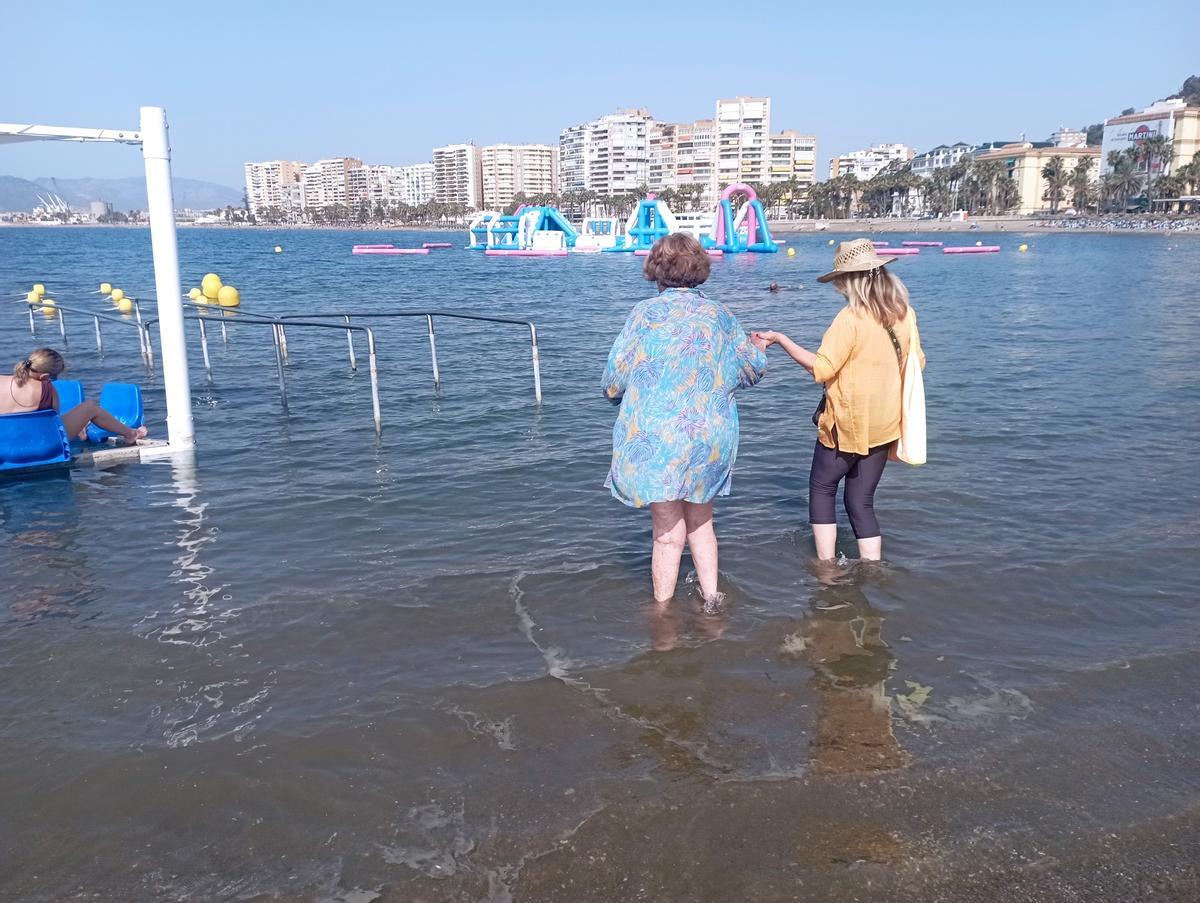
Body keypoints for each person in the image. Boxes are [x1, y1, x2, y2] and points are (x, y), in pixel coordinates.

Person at [602, 233, 768, 605]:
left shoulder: (644, 314)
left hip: (658, 438)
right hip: (709, 437)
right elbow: (752, 370)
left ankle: (663, 615)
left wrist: (620, 399)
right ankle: (712, 601)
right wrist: (757, 347)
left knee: (666, 532)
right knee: (702, 524)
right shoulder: (720, 315)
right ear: (699, 268)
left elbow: (614, 380)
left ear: (656, 270)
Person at [753, 239, 924, 562]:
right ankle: (872, 568)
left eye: (841, 281)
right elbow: (917, 362)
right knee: (861, 501)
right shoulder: (904, 314)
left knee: (822, 488)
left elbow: (822, 368)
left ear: (851, 280)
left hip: (846, 424)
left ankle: (827, 568)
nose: (839, 288)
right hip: (886, 424)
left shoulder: (850, 318)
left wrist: (780, 339)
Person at [0, 348, 148, 445]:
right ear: (45, 376)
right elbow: (56, 423)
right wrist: (79, 426)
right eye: (54, 377)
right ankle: (131, 434)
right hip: (40, 443)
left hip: (6, 445)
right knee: (90, 407)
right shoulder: (46, 388)